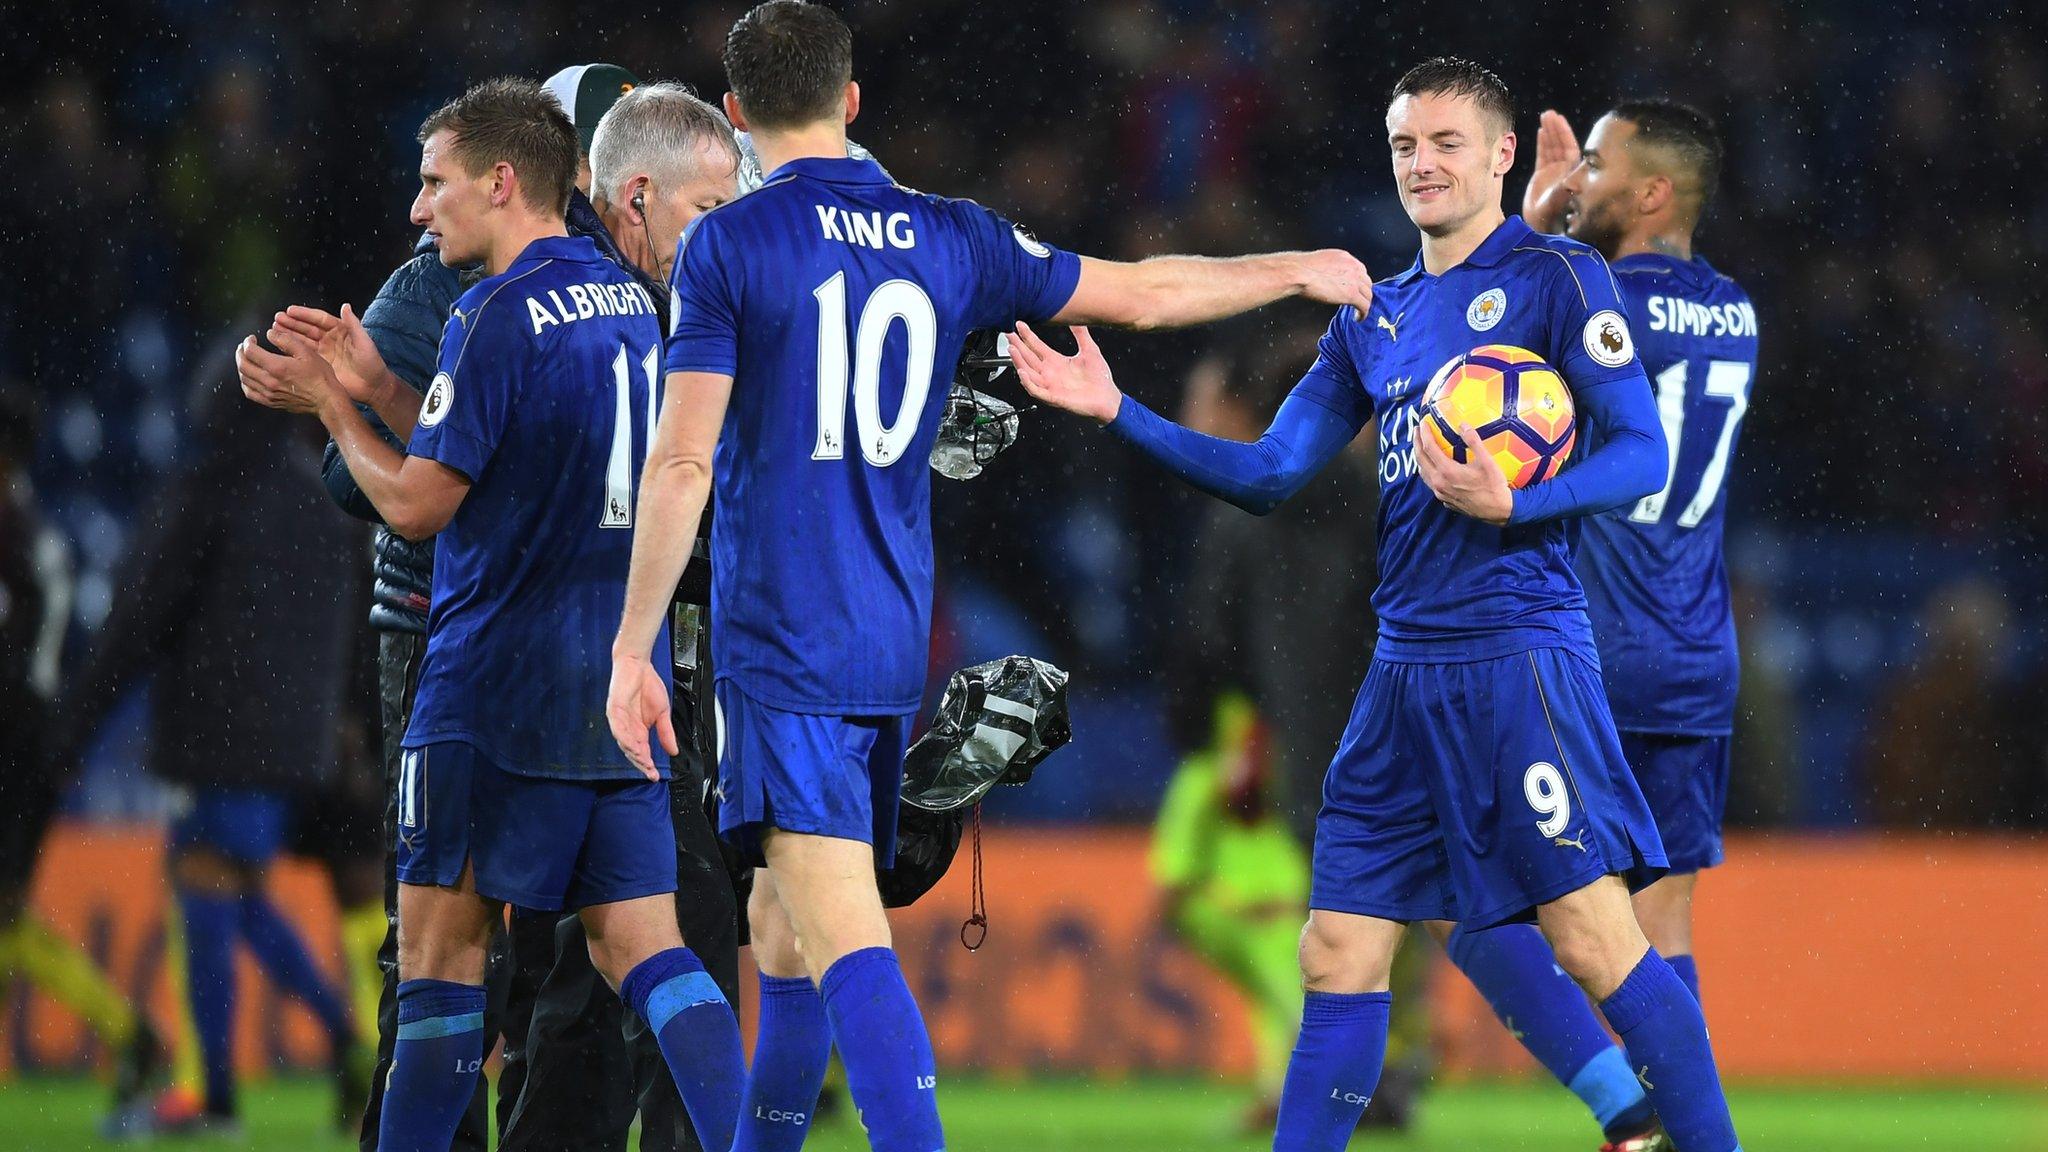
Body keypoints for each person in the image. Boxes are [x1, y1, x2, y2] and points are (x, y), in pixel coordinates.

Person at [606, 5, 1372, 1149]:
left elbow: (679, 460)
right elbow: (1143, 291)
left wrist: (630, 645)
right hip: (890, 632)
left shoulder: (728, 245)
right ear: (852, 101)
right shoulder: (952, 235)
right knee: (782, 928)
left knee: (844, 933)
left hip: (782, 637)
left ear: (735, 118)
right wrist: (1291, 268)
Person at [1009, 57, 1744, 1152]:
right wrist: (1117, 408)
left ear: (1499, 156)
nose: (1422, 164)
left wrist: (1517, 499)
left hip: (1517, 654)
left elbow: (1637, 452)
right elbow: (1265, 475)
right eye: (1405, 145)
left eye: (1446, 143)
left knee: (1594, 939)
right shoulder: (1371, 316)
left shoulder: (1557, 280)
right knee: (1334, 951)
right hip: (1398, 673)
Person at [238, 77, 747, 1152]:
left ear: (503, 182)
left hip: (491, 692)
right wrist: (375, 380)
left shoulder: (493, 312)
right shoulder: (629, 303)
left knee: (438, 970)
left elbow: (422, 504)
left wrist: (330, 405)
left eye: (435, 184)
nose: (419, 211)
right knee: (649, 955)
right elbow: (522, 451)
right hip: (614, 680)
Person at [1418, 98, 1759, 1150]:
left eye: (1599, 167)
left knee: (1453, 893)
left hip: (1587, 651)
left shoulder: (1592, 295)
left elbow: (1466, 322)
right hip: (1696, 654)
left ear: (1650, 193)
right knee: (1657, 926)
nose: (1582, 180)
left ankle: (1624, 1107)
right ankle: (1693, 1139)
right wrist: (1566, 225)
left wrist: (1531, 221)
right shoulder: (1736, 308)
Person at [53, 334, 368, 1137]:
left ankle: (212, 1094)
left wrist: (75, 723)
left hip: (218, 730)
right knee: (233, 891)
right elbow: (355, 625)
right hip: (298, 742)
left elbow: (141, 616)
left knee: (204, 883)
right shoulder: (327, 494)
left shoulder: (213, 487)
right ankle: (344, 1042)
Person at [0, 381, 169, 1134]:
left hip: (16, 739)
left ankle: (134, 1039)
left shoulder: (16, 531)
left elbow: (20, 658)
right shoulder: (28, 528)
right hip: (32, 736)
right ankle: (133, 1039)